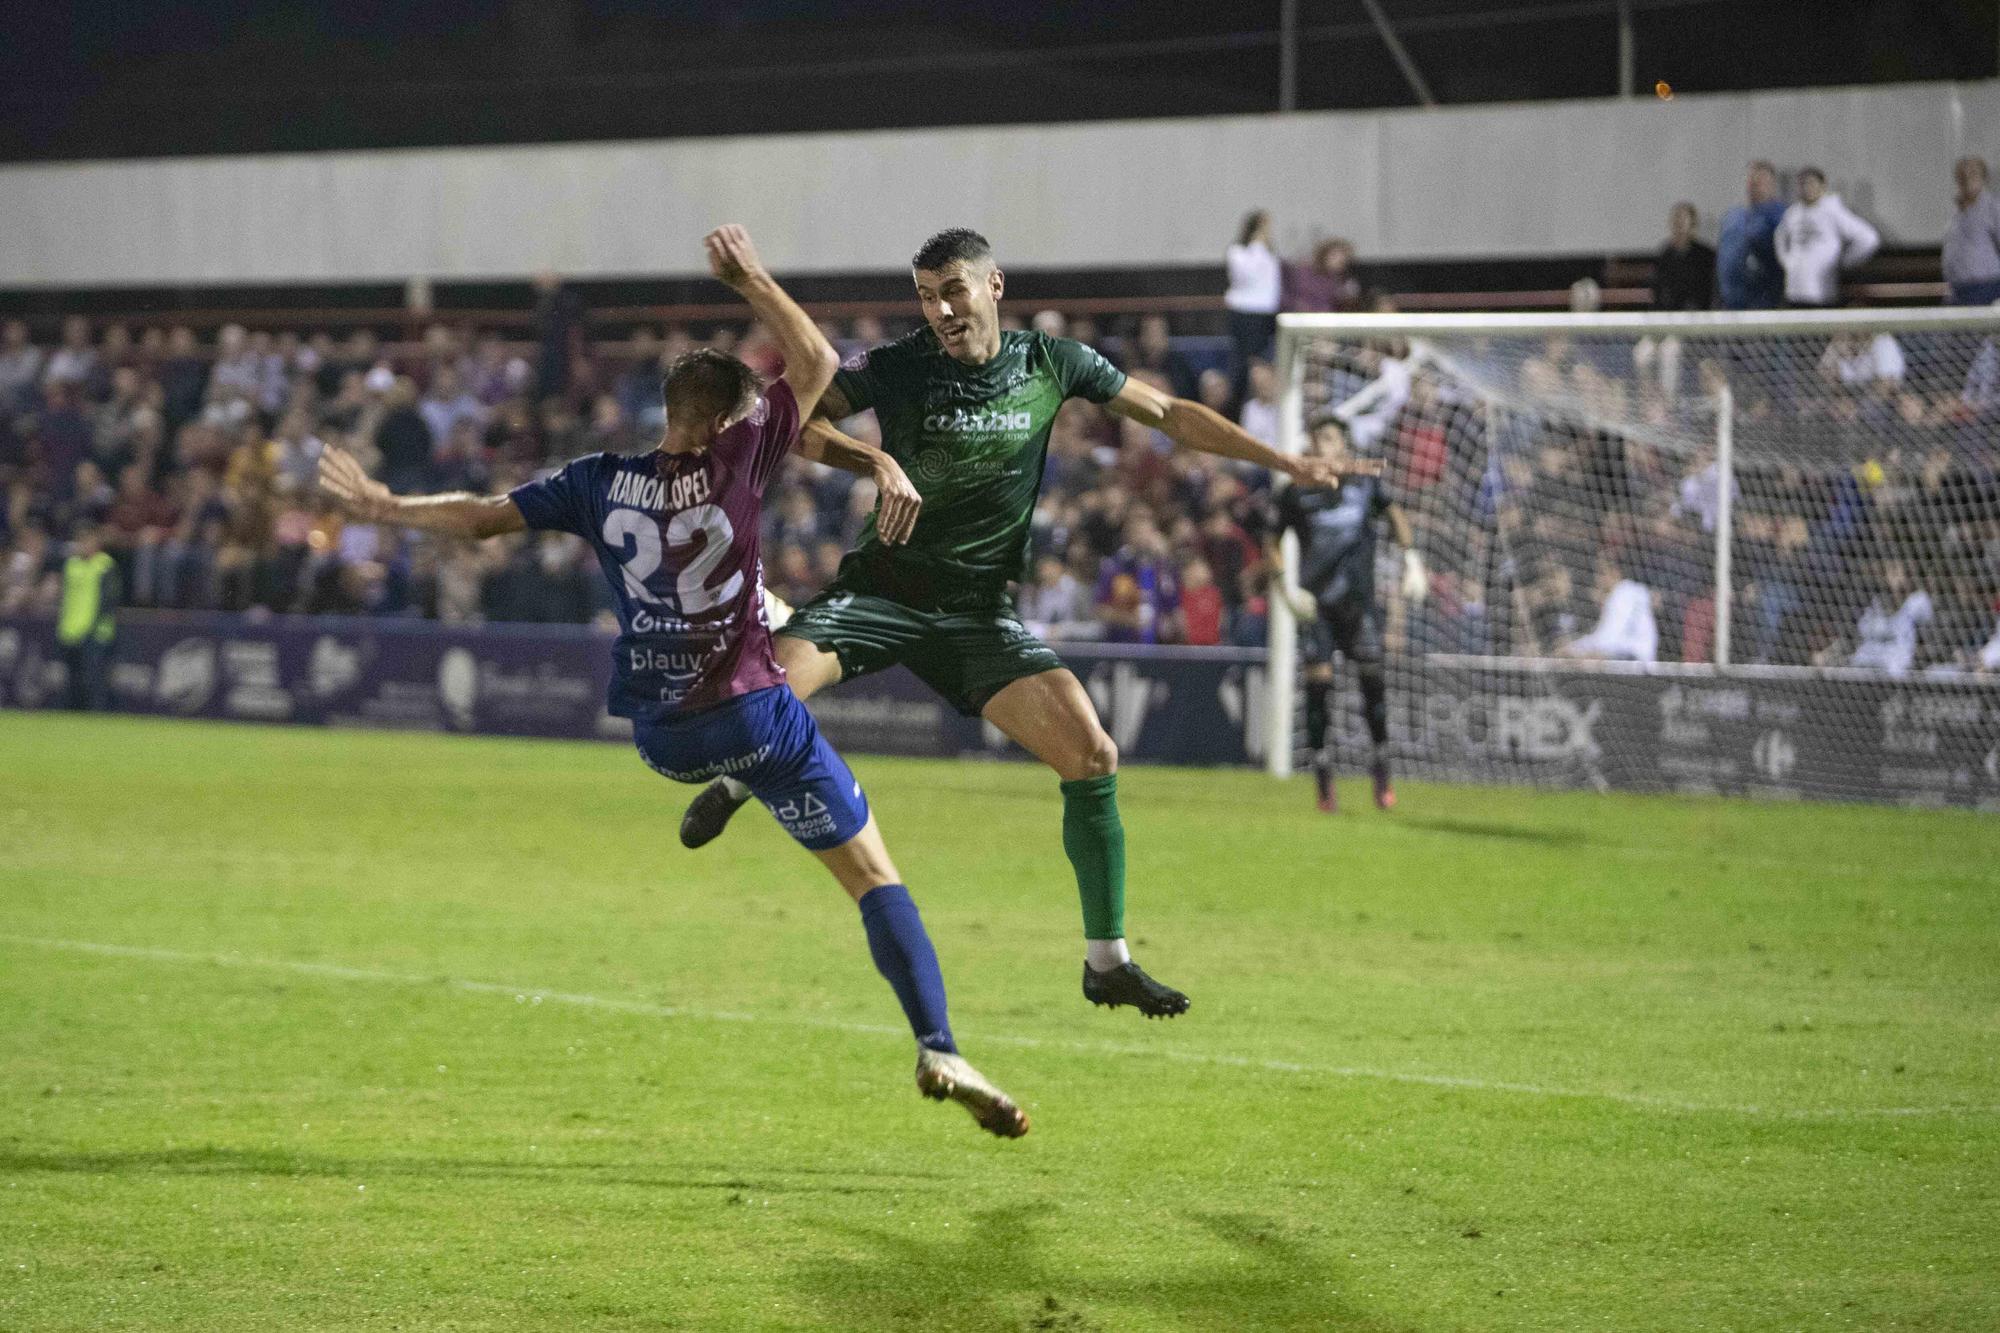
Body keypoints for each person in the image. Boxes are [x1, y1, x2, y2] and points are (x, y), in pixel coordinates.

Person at [316, 226, 1025, 1139]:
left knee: (766, 613)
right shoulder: (741, 458)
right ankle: (938, 1042)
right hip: (757, 718)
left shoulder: (597, 480)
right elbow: (813, 357)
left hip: (661, 736)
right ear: (735, 421)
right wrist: (750, 277)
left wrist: (383, 507)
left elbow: (484, 520)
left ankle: (733, 784)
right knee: (873, 874)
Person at [676, 226, 1368, 1019]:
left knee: (1092, 750)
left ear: (994, 286)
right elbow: (797, 424)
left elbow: (1171, 412)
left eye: (953, 291)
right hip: (881, 596)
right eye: (926, 296)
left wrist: (1286, 464)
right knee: (762, 704)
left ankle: (1107, 960)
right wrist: (877, 461)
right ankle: (737, 777)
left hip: (977, 615)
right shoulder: (901, 367)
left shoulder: (1050, 363)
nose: (939, 310)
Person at [1267, 417, 1425, 814]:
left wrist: (1411, 559)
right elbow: (1270, 539)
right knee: (1318, 684)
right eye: (1317, 438)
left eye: (1330, 438)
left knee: (1372, 681)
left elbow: (1395, 515)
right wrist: (1285, 587)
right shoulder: (1295, 492)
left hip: (1359, 603)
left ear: (1344, 446)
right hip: (1315, 606)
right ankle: (1323, 778)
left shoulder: (1366, 483)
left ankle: (1382, 767)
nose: (1321, 444)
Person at [1774, 167, 1879, 308]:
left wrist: (1844, 261)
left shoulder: (1833, 210)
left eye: (1811, 183)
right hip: (1794, 291)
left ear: (1822, 186)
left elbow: (1868, 238)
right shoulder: (1793, 213)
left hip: (1822, 294)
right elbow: (1779, 238)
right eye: (1802, 184)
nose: (1807, 188)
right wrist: (1788, 262)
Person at [56, 525, 118, 710]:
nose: (84, 545)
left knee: (94, 678)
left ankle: (96, 714)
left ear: (97, 542)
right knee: (72, 678)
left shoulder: (104, 565)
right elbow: (64, 598)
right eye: (81, 541)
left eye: (88, 541)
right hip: (70, 629)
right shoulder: (71, 564)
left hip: (96, 632)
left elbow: (109, 600)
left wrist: (94, 626)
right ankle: (72, 713)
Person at [1224, 210, 1282, 409]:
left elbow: (1272, 284)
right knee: (1244, 365)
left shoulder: (1269, 253)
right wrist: (1257, 246)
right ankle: (1239, 406)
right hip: (1245, 313)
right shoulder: (1238, 252)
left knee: (1265, 364)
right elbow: (1245, 277)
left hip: (1265, 313)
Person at [1715, 161, 1788, 311]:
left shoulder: (1782, 216)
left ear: (1772, 185)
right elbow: (1723, 258)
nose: (1754, 186)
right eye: (1751, 181)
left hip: (1765, 302)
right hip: (1731, 302)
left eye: (1760, 182)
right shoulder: (1732, 217)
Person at [1558, 563, 1658, 663]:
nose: (1598, 579)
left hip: (1633, 658)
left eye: (1601, 573)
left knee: (1585, 661)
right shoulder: (1628, 591)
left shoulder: (1623, 592)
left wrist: (1574, 650)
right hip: (1628, 657)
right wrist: (1573, 648)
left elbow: (1607, 640)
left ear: (1615, 573)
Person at [1943, 156, 2000, 307]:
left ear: (1983, 178)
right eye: (1962, 176)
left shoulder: (1992, 208)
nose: (1967, 180)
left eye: (1973, 174)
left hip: (1985, 286)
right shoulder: (1957, 210)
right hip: (1957, 288)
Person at [1653, 202, 1716, 311]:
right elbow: (1659, 289)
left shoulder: (1706, 255)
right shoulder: (1664, 255)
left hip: (1698, 313)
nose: (1679, 223)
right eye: (1676, 219)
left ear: (1692, 224)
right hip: (1671, 314)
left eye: (1683, 219)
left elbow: (1709, 289)